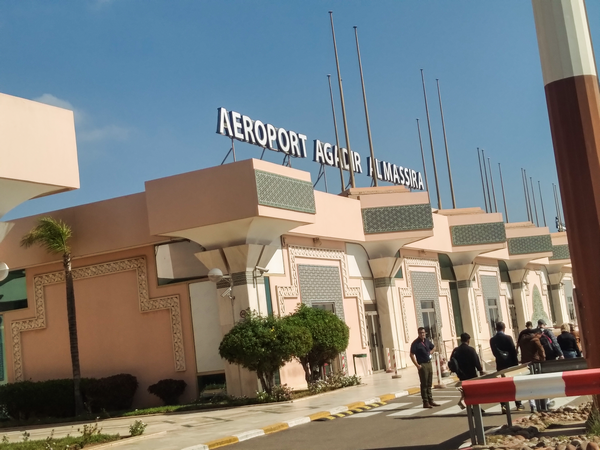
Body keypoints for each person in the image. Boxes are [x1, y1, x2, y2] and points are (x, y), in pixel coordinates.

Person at [490, 322, 523, 412]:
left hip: (500, 364)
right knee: (513, 384)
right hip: (510, 363)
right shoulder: (508, 338)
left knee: (502, 385)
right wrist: (516, 364)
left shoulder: (492, 340)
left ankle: (503, 405)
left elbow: (494, 353)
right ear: (504, 328)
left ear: (496, 329)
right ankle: (518, 404)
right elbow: (513, 351)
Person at [410, 327, 440, 408]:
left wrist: (431, 352)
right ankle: (425, 401)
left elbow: (434, 347)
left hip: (429, 363)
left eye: (423, 332)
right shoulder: (415, 343)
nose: (422, 334)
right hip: (422, 364)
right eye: (420, 333)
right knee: (424, 383)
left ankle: (431, 400)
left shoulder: (427, 341)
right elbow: (411, 354)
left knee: (429, 382)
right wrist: (417, 365)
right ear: (418, 333)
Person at [520, 328, 546, 412]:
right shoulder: (535, 340)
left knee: (529, 384)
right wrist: (542, 359)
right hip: (535, 363)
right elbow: (541, 350)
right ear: (536, 334)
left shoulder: (522, 340)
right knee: (540, 383)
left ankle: (532, 404)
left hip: (525, 364)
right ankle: (544, 403)